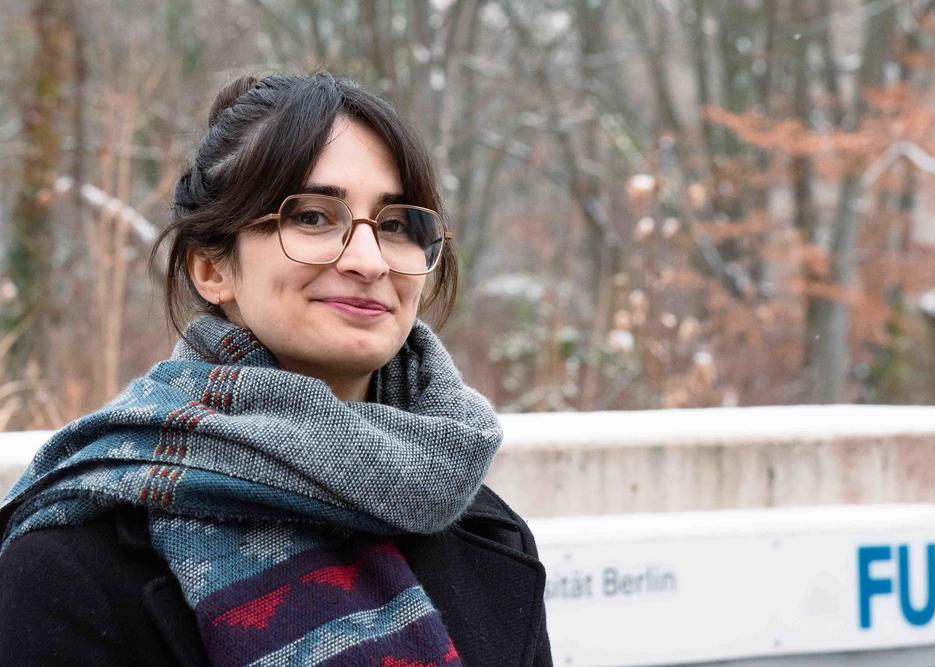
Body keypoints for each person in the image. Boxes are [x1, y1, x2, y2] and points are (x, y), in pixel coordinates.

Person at [0, 72, 552, 667]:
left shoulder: (485, 529)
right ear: (212, 269)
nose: (368, 261)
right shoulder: (74, 565)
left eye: (395, 225)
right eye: (313, 217)